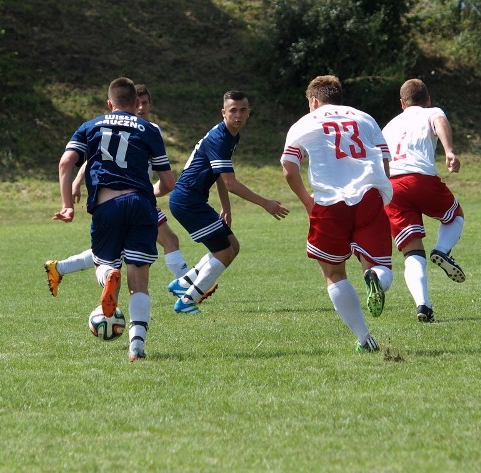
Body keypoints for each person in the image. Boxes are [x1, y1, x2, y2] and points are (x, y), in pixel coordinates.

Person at [53, 77, 175, 361]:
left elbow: (65, 162)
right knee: (140, 281)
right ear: (136, 104)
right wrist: (150, 192)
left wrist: (67, 205)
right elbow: (168, 182)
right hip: (141, 204)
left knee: (102, 260)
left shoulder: (90, 126)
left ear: (109, 104)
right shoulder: (148, 128)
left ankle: (108, 275)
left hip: (107, 205)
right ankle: (137, 346)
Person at [280, 75, 394, 353]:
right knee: (379, 265)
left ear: (314, 101)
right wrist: (380, 192)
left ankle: (365, 338)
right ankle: (376, 279)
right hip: (368, 195)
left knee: (333, 272)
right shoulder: (365, 118)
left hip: (330, 201)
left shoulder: (306, 122)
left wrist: (307, 201)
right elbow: (385, 159)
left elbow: (288, 167)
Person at [45, 84, 190, 297]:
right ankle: (186, 287)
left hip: (129, 197)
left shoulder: (146, 128)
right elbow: (100, 157)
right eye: (137, 102)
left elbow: (87, 157)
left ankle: (61, 268)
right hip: (138, 198)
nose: (140, 107)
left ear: (150, 105)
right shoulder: (145, 130)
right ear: (131, 103)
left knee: (114, 251)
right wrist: (77, 181)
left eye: (144, 102)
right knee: (165, 241)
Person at [168, 90, 289, 314]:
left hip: (192, 200)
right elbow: (231, 183)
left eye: (243, 110)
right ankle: (187, 300)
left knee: (233, 246)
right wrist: (265, 203)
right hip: (187, 201)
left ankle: (183, 283)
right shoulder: (220, 138)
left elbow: (221, 175)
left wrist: (226, 207)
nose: (238, 115)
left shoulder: (231, 135)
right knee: (223, 252)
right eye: (233, 110)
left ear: (249, 113)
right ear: (223, 112)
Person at [382, 78, 465, 323]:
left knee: (412, 252)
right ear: (428, 99)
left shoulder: (389, 125)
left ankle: (423, 306)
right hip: (420, 179)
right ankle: (442, 249)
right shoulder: (432, 112)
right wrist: (449, 151)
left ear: (402, 103)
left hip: (392, 187)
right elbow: (439, 121)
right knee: (454, 215)